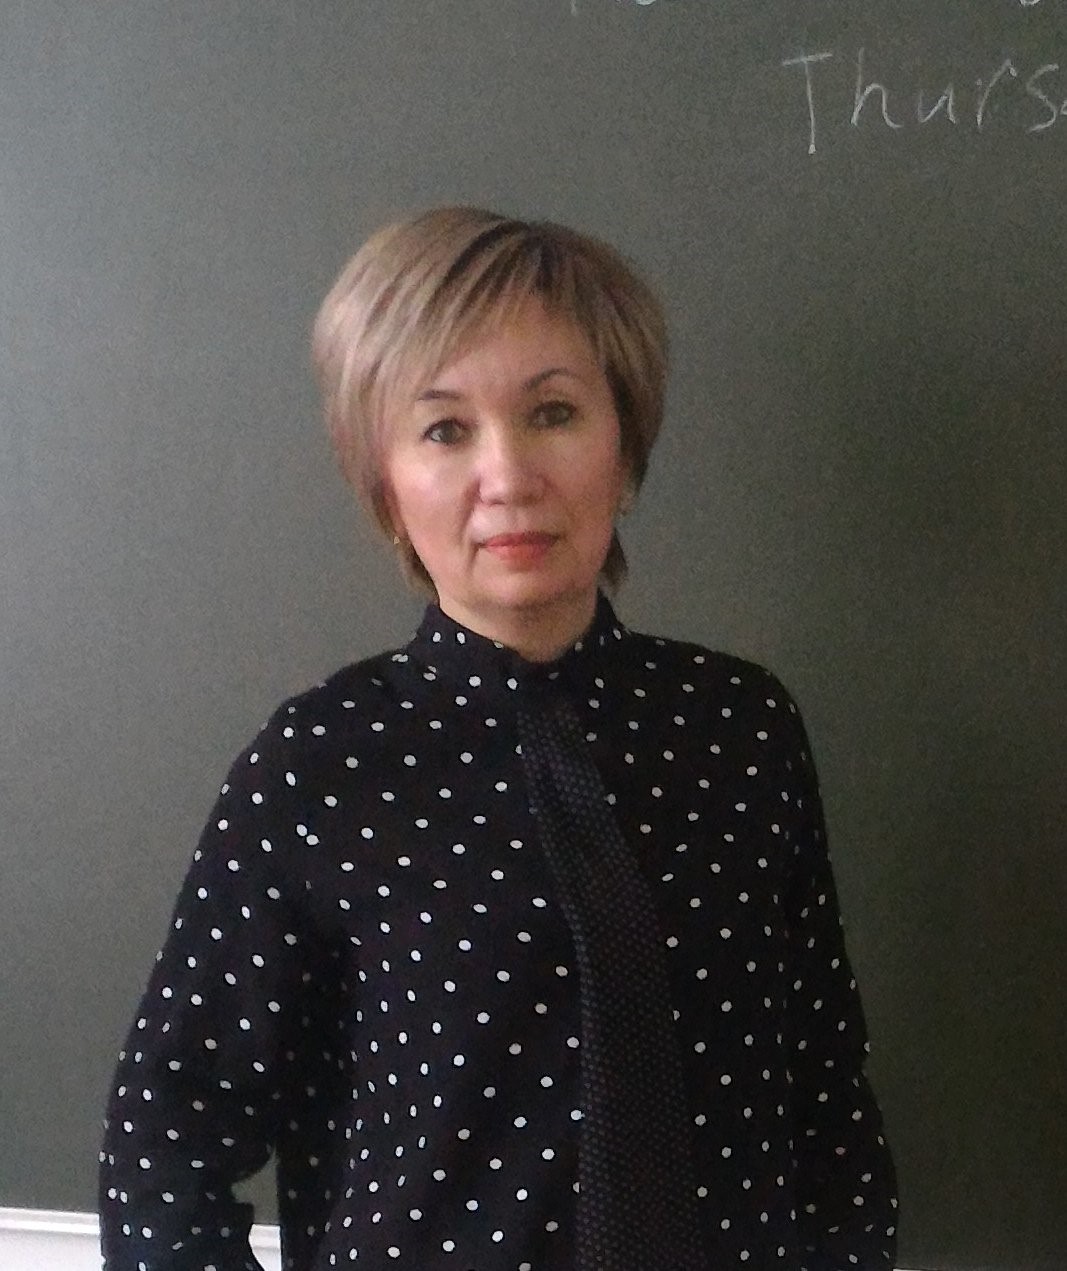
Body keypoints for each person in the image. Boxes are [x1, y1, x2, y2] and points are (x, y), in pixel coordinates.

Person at [99, 206, 898, 1270]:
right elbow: (165, 1139)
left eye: (553, 412)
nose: (509, 475)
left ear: (624, 447)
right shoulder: (317, 766)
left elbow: (822, 1084)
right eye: (443, 429)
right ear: (385, 483)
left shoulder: (739, 728)